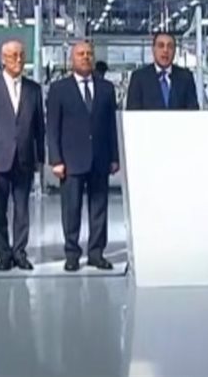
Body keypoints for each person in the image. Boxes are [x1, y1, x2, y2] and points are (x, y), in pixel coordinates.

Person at [47, 41, 119, 272]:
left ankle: (96, 253)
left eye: (89, 53)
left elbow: (111, 126)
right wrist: (55, 160)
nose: (85, 57)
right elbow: (52, 127)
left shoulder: (106, 89)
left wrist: (114, 157)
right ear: (72, 59)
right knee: (71, 210)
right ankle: (72, 254)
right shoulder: (59, 89)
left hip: (100, 158)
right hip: (70, 160)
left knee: (99, 209)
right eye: (80, 54)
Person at [0, 40, 45, 271]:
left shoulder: (34, 89)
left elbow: (39, 127)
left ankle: (20, 252)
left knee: (22, 210)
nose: (18, 59)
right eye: (13, 55)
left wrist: (40, 158)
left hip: (25, 159)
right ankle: (4, 254)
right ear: (3, 58)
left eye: (21, 55)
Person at [126, 32, 199, 110]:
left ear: (174, 51)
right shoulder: (138, 78)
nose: (165, 50)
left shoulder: (186, 78)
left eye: (170, 46)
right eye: (161, 46)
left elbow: (193, 112)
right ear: (153, 50)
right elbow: (132, 113)